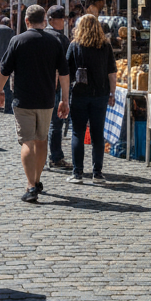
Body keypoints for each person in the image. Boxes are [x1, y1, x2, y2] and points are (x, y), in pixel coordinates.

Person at [0, 5, 70, 203]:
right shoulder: (54, 42)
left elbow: (4, 71)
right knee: (41, 140)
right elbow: (64, 74)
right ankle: (36, 180)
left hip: (24, 100)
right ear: (44, 21)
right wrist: (64, 99)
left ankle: (30, 185)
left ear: (27, 21)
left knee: (27, 141)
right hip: (46, 99)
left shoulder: (18, 40)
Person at [65, 14, 117, 184]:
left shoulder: (74, 46)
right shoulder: (105, 46)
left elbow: (67, 73)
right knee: (97, 134)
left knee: (78, 133)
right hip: (100, 94)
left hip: (79, 93)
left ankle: (77, 173)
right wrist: (112, 93)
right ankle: (98, 173)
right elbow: (112, 72)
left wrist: (64, 96)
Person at [44, 5, 72, 172]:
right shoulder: (61, 39)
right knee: (55, 123)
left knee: (42, 124)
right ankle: (55, 157)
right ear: (53, 20)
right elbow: (65, 67)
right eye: (62, 19)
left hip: (38, 85)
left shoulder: (41, 35)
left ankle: (40, 157)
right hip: (54, 86)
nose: (65, 22)